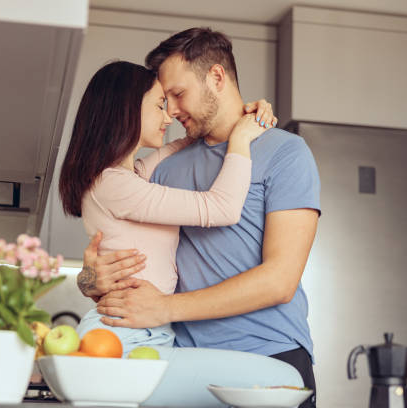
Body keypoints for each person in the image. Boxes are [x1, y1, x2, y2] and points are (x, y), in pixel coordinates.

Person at [79, 28, 321, 408]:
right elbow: (126, 243)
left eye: (178, 94)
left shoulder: (284, 152)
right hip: (178, 363)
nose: (171, 111)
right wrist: (90, 278)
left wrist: (165, 308)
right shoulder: (161, 164)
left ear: (217, 77)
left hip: (269, 354)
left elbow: (280, 281)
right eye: (164, 100)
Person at [58, 60, 274, 355]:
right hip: (124, 329)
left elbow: (184, 143)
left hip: (144, 327)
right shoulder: (114, 185)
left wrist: (243, 114)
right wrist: (241, 137)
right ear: (128, 109)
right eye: (160, 105)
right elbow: (223, 208)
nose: (169, 117)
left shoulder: (130, 175)